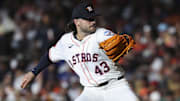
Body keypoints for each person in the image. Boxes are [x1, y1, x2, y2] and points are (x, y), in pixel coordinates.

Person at [21, 1, 139, 101]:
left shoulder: (102, 34)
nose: (93, 21)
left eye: (93, 18)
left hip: (116, 86)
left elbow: (122, 46)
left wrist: (127, 50)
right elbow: (49, 56)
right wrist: (33, 72)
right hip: (91, 92)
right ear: (77, 22)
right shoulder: (66, 41)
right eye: (88, 19)